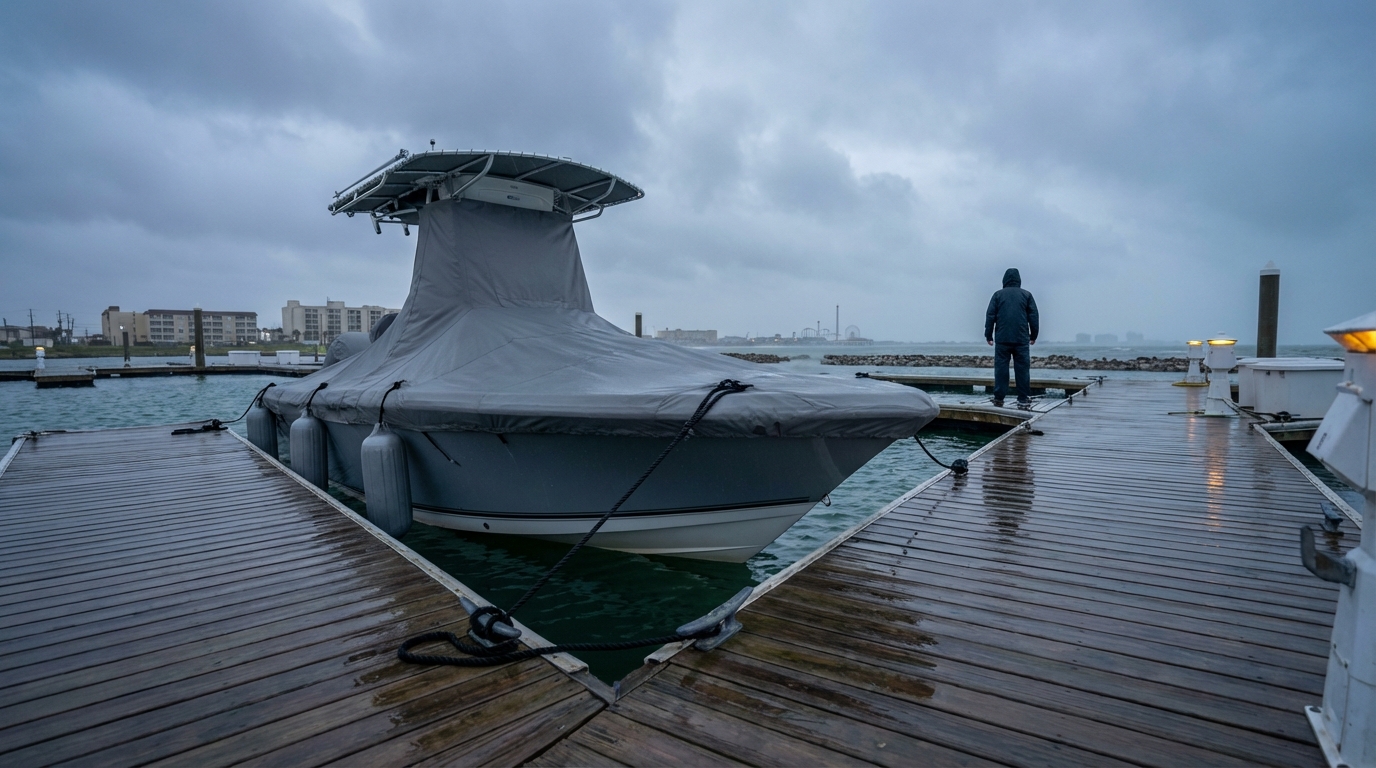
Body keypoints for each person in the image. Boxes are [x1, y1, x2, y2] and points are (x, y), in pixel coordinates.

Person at [984, 267, 1039, 409]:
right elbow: (1033, 316)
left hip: (1002, 339)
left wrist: (988, 335)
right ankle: (1023, 398)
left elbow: (990, 315)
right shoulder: (1027, 295)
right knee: (1022, 370)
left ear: (1004, 280)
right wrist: (1033, 335)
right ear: (1019, 280)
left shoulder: (997, 295)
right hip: (1021, 339)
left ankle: (999, 398)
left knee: (1001, 369)